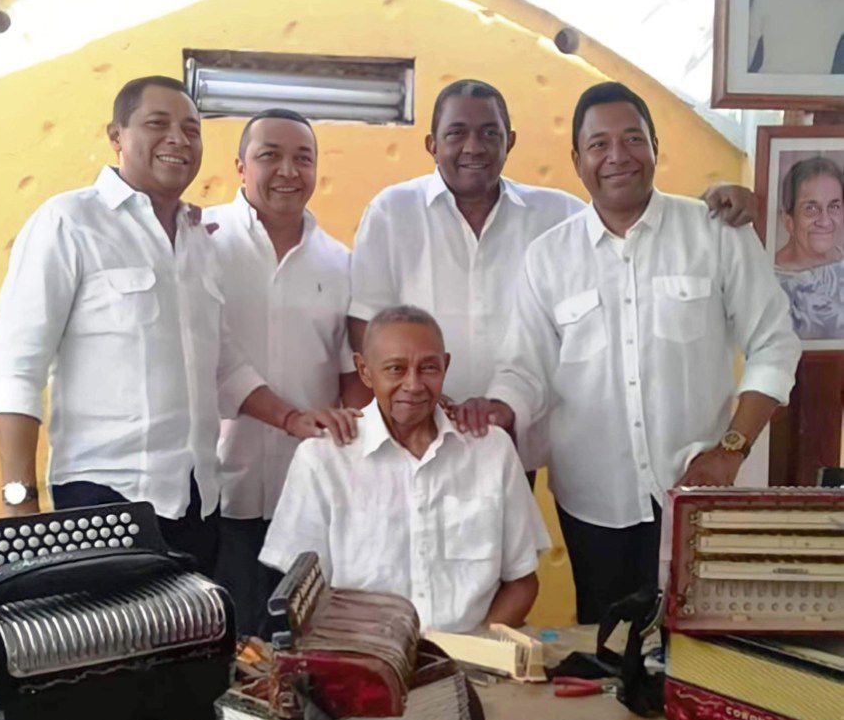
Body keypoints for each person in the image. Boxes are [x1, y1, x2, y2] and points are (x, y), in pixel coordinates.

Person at [454, 81, 802, 628]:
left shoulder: (716, 234)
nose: (617, 156)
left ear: (655, 145)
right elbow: (526, 367)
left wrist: (731, 449)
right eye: (598, 144)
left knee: (707, 644)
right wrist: (501, 408)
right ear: (576, 159)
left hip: (701, 491)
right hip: (594, 503)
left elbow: (774, 345)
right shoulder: (548, 258)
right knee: (610, 651)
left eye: (632, 138)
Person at [0, 76, 358, 577]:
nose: (178, 139)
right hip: (104, 497)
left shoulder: (198, 239)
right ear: (116, 135)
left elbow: (223, 365)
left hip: (197, 500)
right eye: (157, 124)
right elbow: (17, 367)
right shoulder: (69, 222)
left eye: (191, 128)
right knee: (111, 646)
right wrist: (19, 501)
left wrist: (291, 419)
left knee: (192, 647)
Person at [348, 79, 759, 459]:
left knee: (503, 540)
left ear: (510, 141)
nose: (474, 146)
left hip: (512, 435)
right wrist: (420, 401)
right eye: (456, 133)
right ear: (431, 144)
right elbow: (366, 325)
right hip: (415, 431)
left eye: (490, 133)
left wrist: (710, 205)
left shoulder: (557, 214)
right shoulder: (392, 211)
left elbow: (630, 238)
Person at [259, 305, 548, 633]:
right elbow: (302, 599)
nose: (413, 385)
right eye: (396, 369)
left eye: (428, 368)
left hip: (472, 661)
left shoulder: (491, 450)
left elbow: (522, 582)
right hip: (363, 666)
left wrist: (475, 653)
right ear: (364, 371)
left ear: (445, 366)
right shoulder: (323, 459)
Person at [203, 108, 368, 630]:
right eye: (269, 155)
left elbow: (351, 375)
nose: (287, 171)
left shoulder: (340, 262)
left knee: (296, 644)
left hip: (307, 491)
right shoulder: (201, 242)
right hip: (216, 488)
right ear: (240, 166)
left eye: (303, 158)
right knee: (217, 642)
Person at [774, 156, 844, 341]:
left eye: (834, 206)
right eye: (811, 208)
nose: (825, 221)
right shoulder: (768, 280)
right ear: (788, 220)